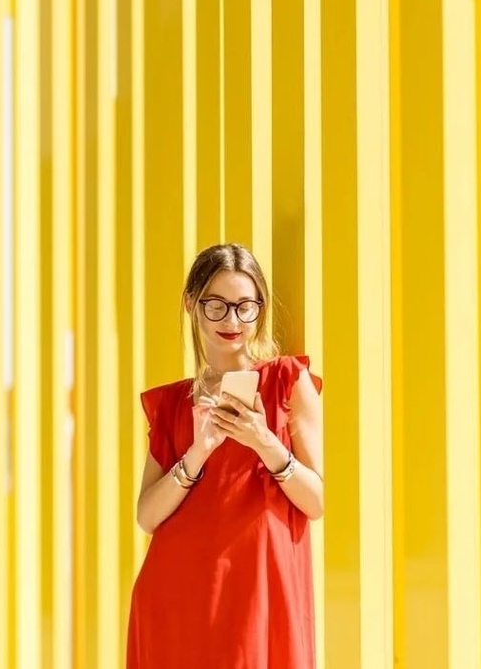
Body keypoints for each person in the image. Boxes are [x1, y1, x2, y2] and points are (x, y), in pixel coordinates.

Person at [126, 243, 325, 668]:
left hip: (259, 596)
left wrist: (264, 441)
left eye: (244, 306)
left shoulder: (286, 381)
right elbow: (146, 516)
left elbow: (316, 501)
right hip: (177, 599)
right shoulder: (174, 404)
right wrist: (198, 452)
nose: (231, 321)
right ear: (191, 305)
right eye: (216, 305)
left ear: (260, 308)